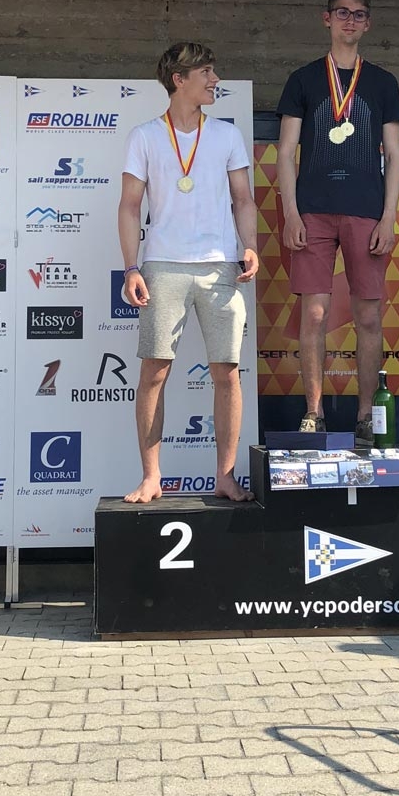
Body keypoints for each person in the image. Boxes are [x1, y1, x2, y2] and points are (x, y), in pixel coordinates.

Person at [118, 42, 259, 504]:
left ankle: (225, 476)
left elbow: (243, 199)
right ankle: (151, 477)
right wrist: (131, 267)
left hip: (220, 266)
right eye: (206, 72)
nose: (215, 80)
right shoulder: (144, 136)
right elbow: (130, 206)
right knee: (154, 372)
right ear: (179, 80)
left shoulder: (226, 134)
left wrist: (249, 246)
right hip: (162, 266)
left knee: (227, 373)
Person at [277, 0, 399, 449]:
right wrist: (291, 213)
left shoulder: (383, 83)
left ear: (368, 24)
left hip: (366, 213)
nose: (350, 20)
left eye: (359, 14)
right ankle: (313, 414)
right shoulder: (303, 80)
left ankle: (366, 417)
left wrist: (389, 218)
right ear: (326, 18)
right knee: (313, 314)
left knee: (368, 316)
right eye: (342, 12)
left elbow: (394, 155)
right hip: (312, 212)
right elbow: (286, 152)